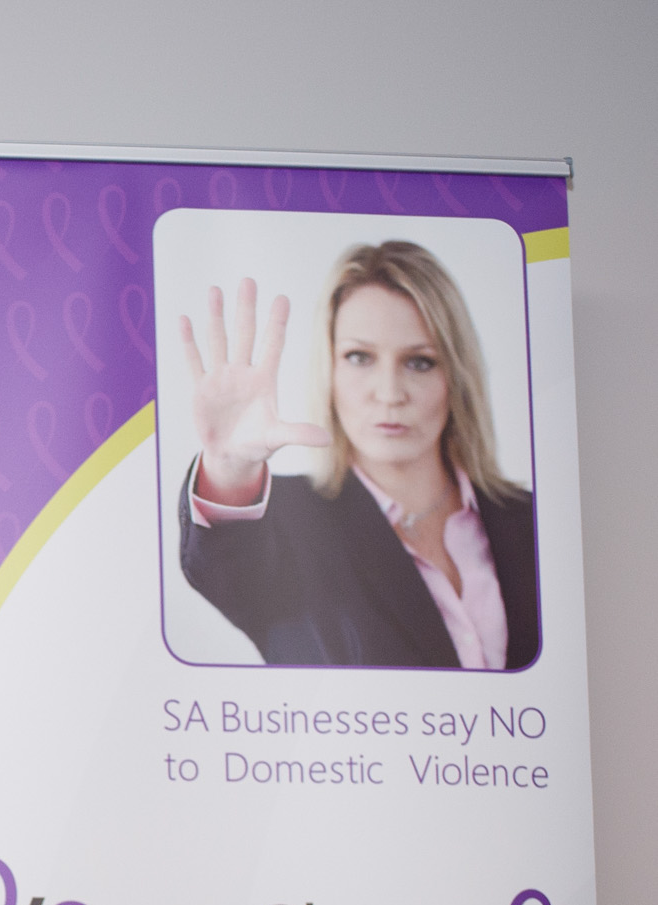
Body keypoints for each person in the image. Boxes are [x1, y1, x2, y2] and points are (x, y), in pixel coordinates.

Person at [176, 241, 538, 670]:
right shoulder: (286, 524)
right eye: (360, 357)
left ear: (456, 376)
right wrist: (230, 468)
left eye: (420, 362)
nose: (389, 393)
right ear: (329, 370)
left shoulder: (531, 521)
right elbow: (225, 562)